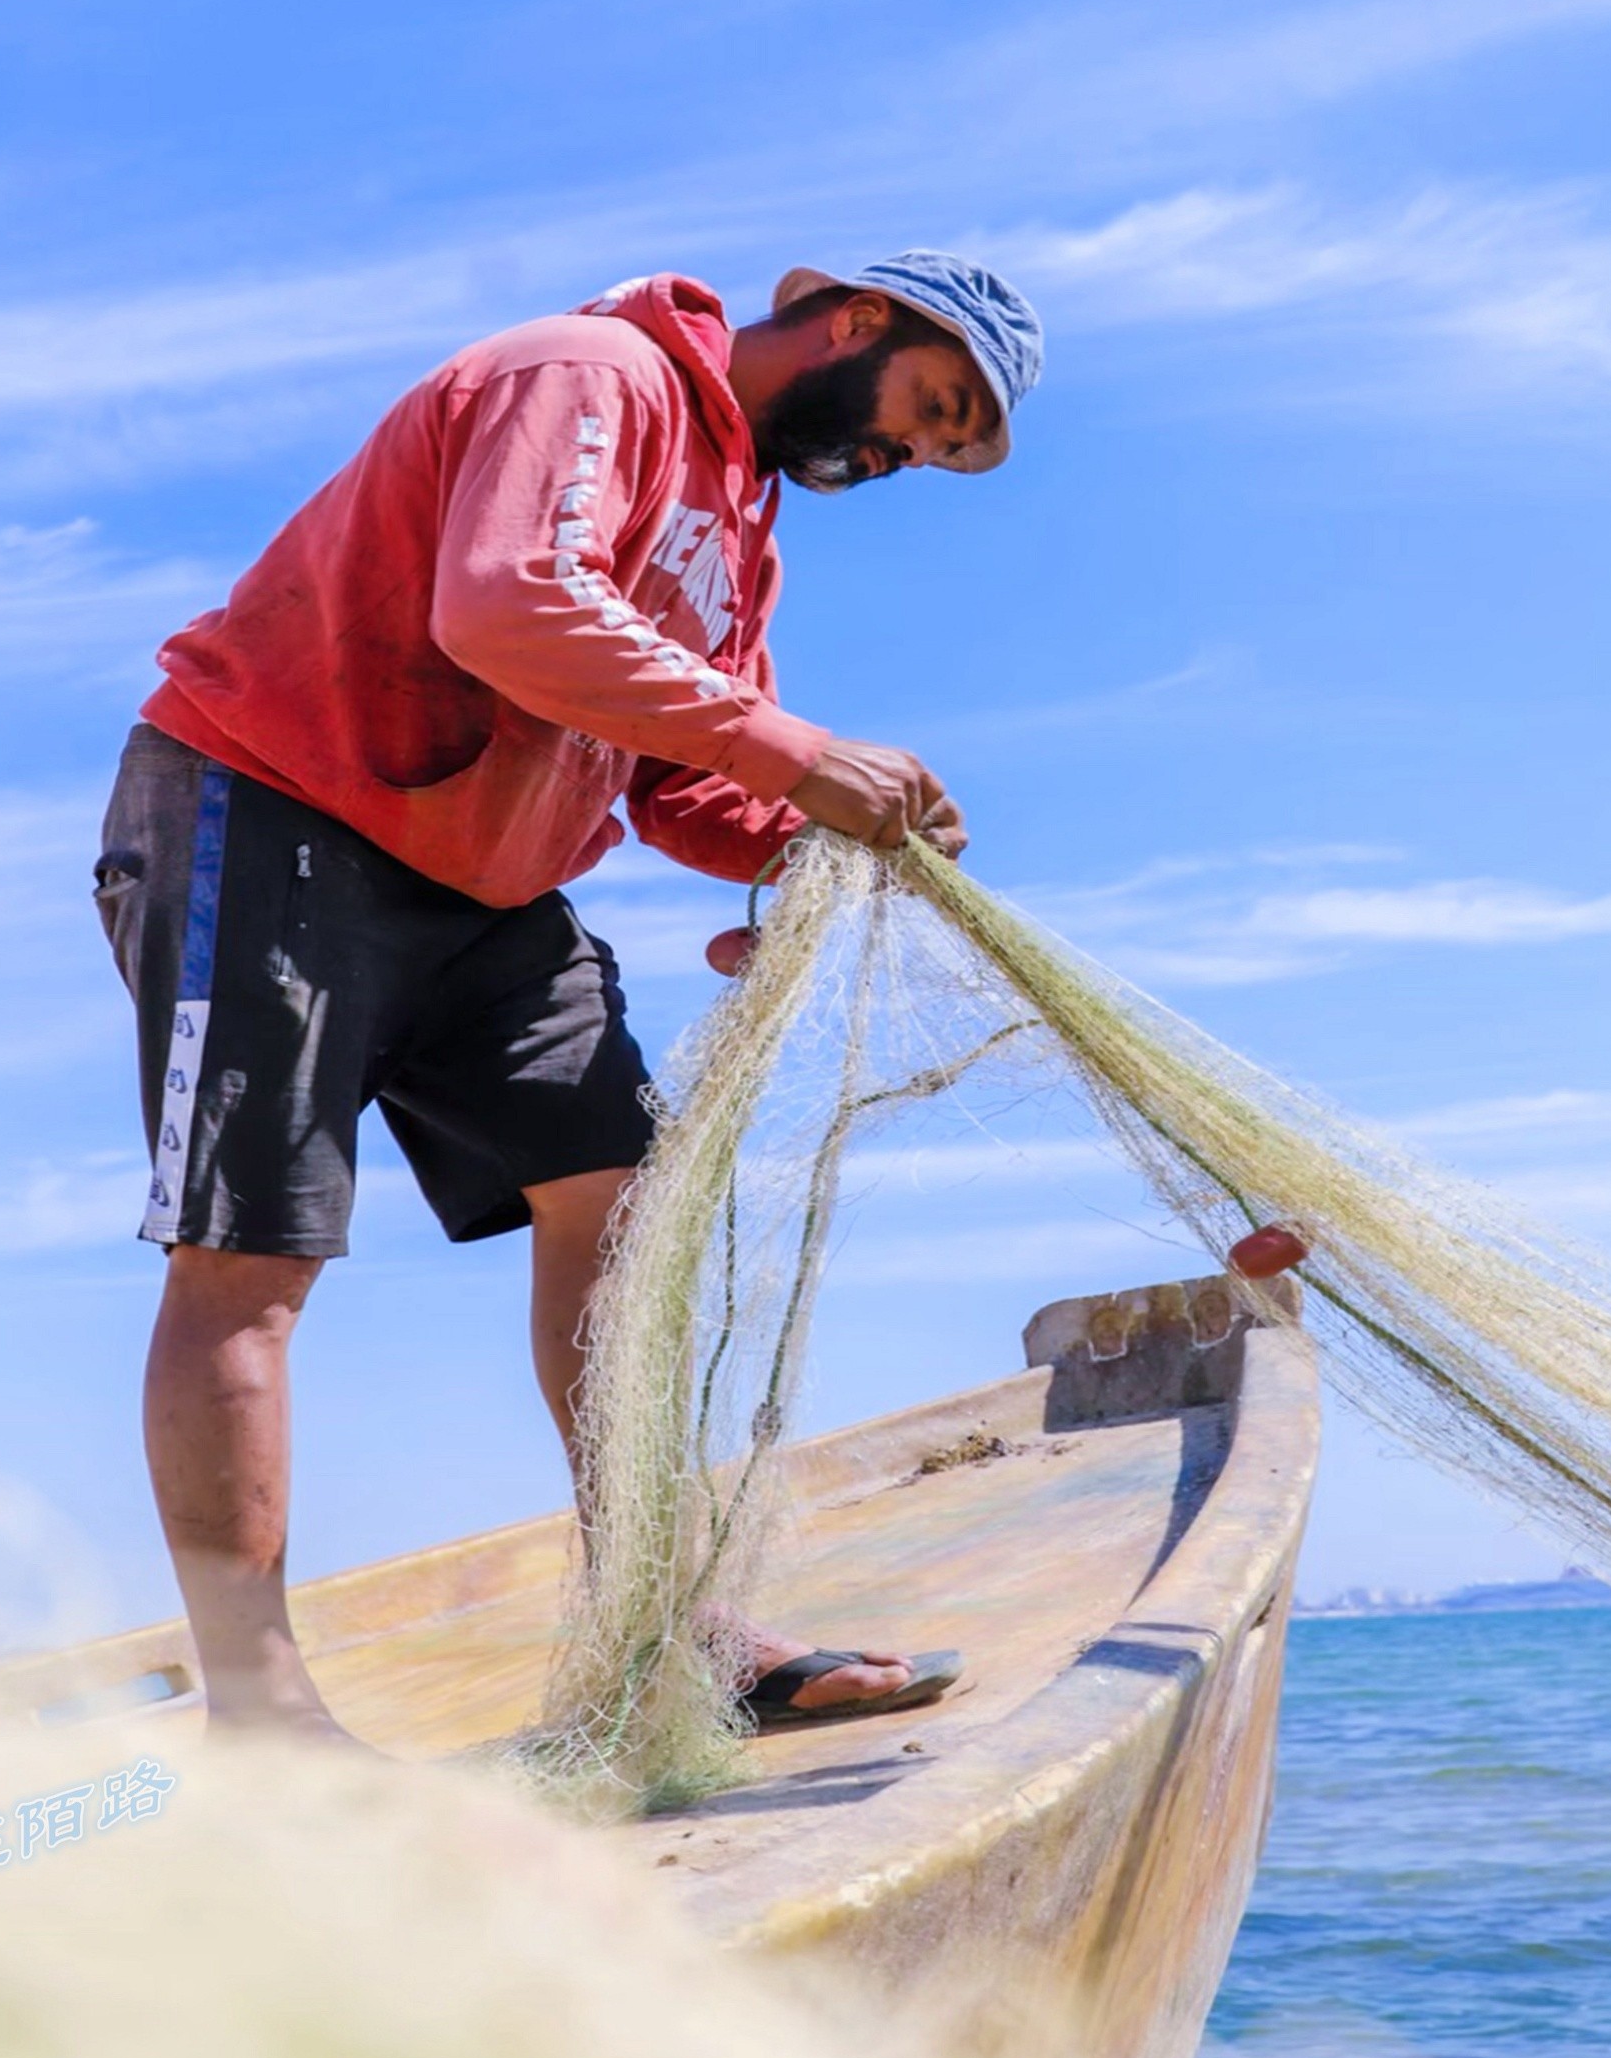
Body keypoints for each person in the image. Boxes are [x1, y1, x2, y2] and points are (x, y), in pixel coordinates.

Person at [95, 252, 1044, 1739]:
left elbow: (676, 781)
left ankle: (670, 1627)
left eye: (930, 453)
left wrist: (814, 841)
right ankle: (261, 1712)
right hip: (270, 807)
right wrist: (796, 754)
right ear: (855, 321)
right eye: (925, 409)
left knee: (621, 1214)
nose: (900, 454)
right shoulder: (589, 378)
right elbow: (507, 606)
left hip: (493, 883)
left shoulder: (743, 528)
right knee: (251, 1259)